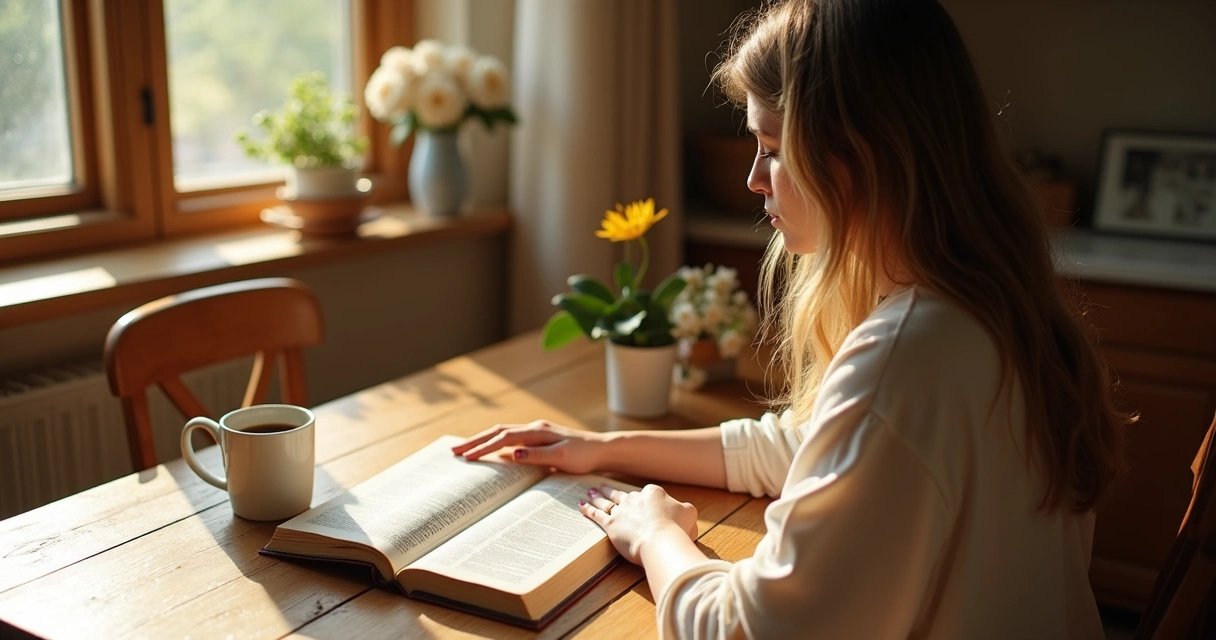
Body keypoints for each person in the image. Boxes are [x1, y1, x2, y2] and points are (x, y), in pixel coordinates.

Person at [453, 0, 1132, 637]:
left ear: (859, 153)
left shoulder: (906, 356)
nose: (754, 177)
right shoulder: (989, 311)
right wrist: (604, 448)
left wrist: (654, 533)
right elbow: (804, 446)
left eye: (773, 148)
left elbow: (742, 630)